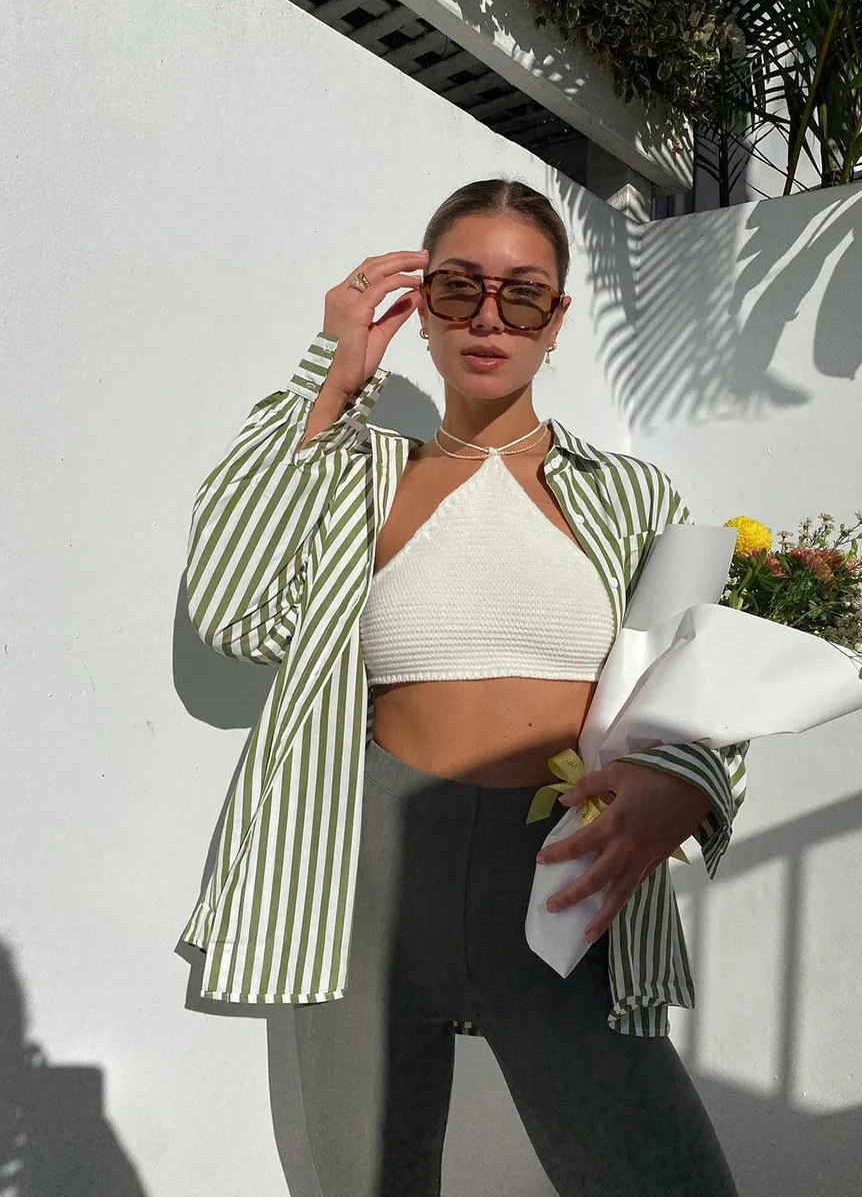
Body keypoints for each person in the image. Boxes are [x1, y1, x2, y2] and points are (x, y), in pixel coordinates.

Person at [179, 179, 746, 1196]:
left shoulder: (628, 493)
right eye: (458, 287)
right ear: (422, 306)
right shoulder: (358, 478)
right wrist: (330, 374)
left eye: (522, 295)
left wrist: (686, 779)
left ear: (556, 321)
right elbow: (233, 611)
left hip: (564, 873)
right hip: (362, 876)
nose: (488, 317)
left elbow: (700, 669)